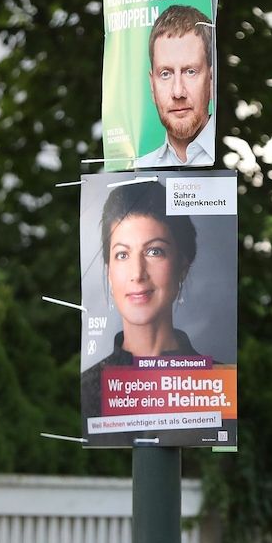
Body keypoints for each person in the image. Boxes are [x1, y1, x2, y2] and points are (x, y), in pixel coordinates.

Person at [81, 180, 203, 421]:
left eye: (154, 251)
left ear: (182, 266)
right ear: (109, 271)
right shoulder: (86, 390)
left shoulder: (215, 383)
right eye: (122, 254)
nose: (137, 273)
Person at [134, 5, 215, 168]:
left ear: (211, 80)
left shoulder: (235, 160)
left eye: (190, 71)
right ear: (152, 86)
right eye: (165, 74)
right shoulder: (139, 170)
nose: (178, 92)